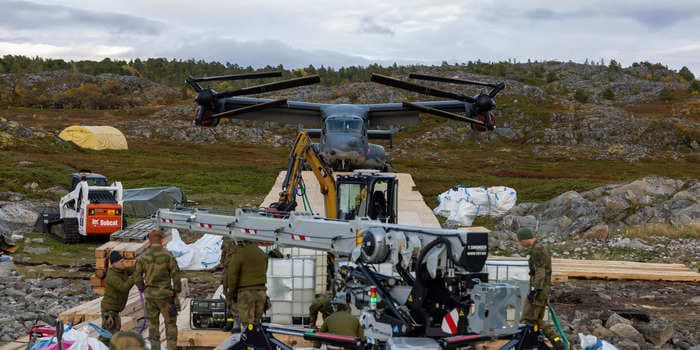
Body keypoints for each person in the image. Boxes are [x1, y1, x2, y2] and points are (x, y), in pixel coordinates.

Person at [517, 228, 567, 350]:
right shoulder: (540, 247)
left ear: (524, 239)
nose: (520, 244)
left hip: (539, 290)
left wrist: (535, 289)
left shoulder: (537, 250)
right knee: (538, 319)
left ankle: (524, 344)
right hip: (543, 290)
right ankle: (557, 341)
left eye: (520, 241)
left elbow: (540, 272)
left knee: (526, 319)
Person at [134, 229, 182, 350]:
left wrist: (143, 289)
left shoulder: (143, 256)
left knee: (153, 326)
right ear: (161, 240)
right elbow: (176, 275)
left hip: (150, 296)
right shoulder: (168, 255)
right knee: (170, 325)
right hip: (166, 296)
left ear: (149, 241)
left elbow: (136, 276)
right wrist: (176, 291)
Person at [226, 239, 269, 326]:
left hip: (246, 293)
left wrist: (232, 292)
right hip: (261, 292)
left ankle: (249, 339)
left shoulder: (240, 253)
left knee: (247, 324)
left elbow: (233, 274)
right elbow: (265, 270)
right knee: (256, 323)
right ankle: (256, 338)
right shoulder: (262, 253)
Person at [100, 251, 135, 345]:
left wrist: (143, 265)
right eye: (121, 261)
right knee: (107, 335)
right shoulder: (112, 276)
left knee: (112, 334)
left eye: (123, 261)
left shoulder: (122, 270)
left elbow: (133, 269)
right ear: (114, 263)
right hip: (109, 311)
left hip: (115, 310)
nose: (124, 263)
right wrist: (134, 278)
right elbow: (124, 287)